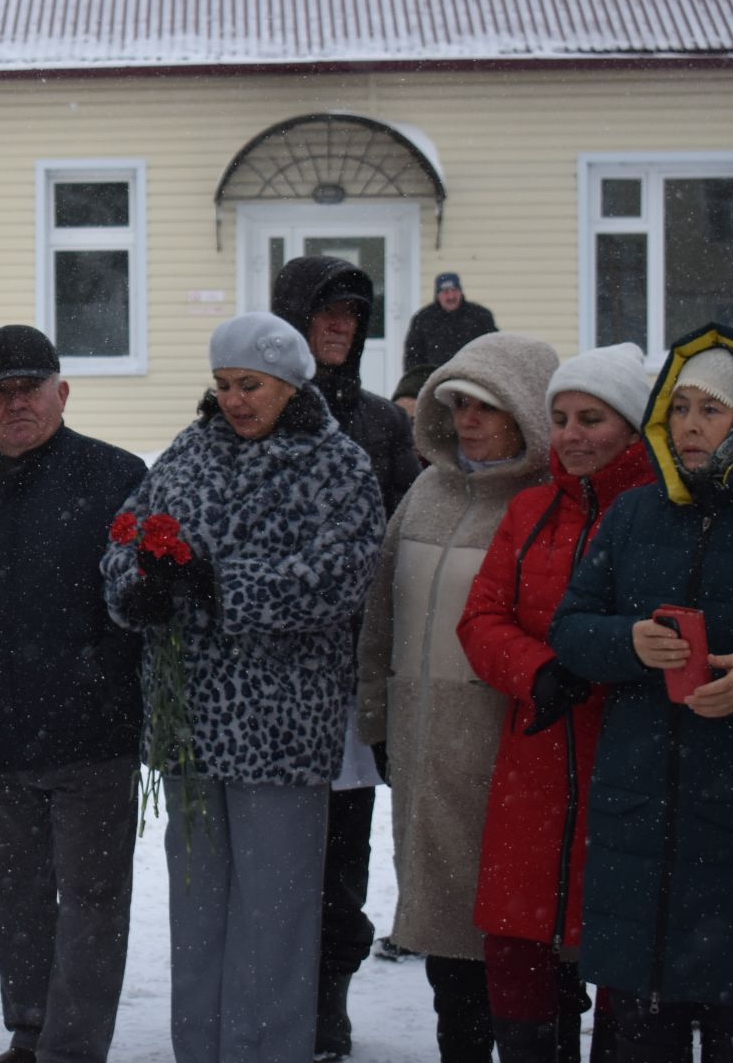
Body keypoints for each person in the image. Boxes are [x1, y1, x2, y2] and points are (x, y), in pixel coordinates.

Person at [103, 312, 385, 1063]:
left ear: (291, 386)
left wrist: (218, 586)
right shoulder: (189, 454)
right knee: (197, 911)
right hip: (189, 722)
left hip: (284, 729)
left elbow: (340, 578)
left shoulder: (337, 465)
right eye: (224, 384)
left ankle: (268, 1051)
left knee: (276, 913)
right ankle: (199, 1049)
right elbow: (125, 539)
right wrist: (136, 589)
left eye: (250, 385)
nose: (234, 399)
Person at [552, 328, 733, 1063]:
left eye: (713, 410)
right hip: (641, 823)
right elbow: (572, 628)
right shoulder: (635, 515)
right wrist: (627, 641)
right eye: (681, 406)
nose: (690, 426)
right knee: (636, 1030)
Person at [0, 325, 146, 1063]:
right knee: (3, 891)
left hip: (93, 730)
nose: (18, 404)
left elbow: (139, 603)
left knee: (91, 901)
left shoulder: (116, 477)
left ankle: (71, 1049)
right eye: (1, 392)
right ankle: (31, 1025)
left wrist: (101, 681)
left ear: (63, 392)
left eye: (31, 388)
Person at [357, 331, 559, 1063]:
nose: (467, 419)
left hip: (509, 754)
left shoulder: (548, 504)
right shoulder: (428, 491)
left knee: (521, 945)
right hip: (423, 751)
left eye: (487, 406)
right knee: (447, 942)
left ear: (528, 411)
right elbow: (381, 615)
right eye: (457, 403)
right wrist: (378, 718)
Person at [454, 343, 656, 1062]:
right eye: (561, 417)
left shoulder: (660, 515)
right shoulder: (531, 510)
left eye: (592, 418)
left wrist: (600, 660)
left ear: (634, 428)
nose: (571, 435)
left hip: (628, 759)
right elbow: (481, 618)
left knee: (626, 945)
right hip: (533, 757)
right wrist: (536, 670)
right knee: (517, 945)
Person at [271, 256, 420, 1060]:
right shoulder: (252, 409)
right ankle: (270, 986)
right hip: (265, 680)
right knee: (270, 854)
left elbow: (399, 548)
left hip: (350, 680)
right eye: (327, 310)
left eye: (355, 314)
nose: (341, 326)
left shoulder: (380, 424)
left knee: (340, 856)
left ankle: (328, 994)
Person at [404, 273, 499, 372]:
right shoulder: (422, 319)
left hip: (473, 378)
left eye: (454, 290)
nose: (451, 296)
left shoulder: (481, 316)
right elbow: (413, 357)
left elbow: (493, 348)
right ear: (437, 295)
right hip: (435, 380)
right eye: (445, 292)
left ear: (461, 292)